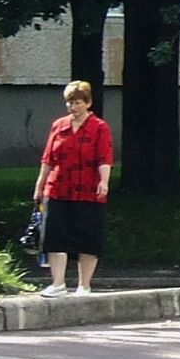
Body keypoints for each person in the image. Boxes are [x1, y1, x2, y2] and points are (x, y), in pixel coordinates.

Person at [34, 79, 113, 296]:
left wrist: (104, 181)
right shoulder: (59, 126)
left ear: (88, 103)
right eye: (70, 102)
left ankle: (84, 285)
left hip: (88, 190)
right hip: (58, 187)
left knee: (87, 238)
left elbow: (104, 158)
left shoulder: (99, 128)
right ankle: (58, 283)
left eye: (78, 102)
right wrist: (40, 185)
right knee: (55, 236)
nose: (73, 107)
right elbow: (48, 158)